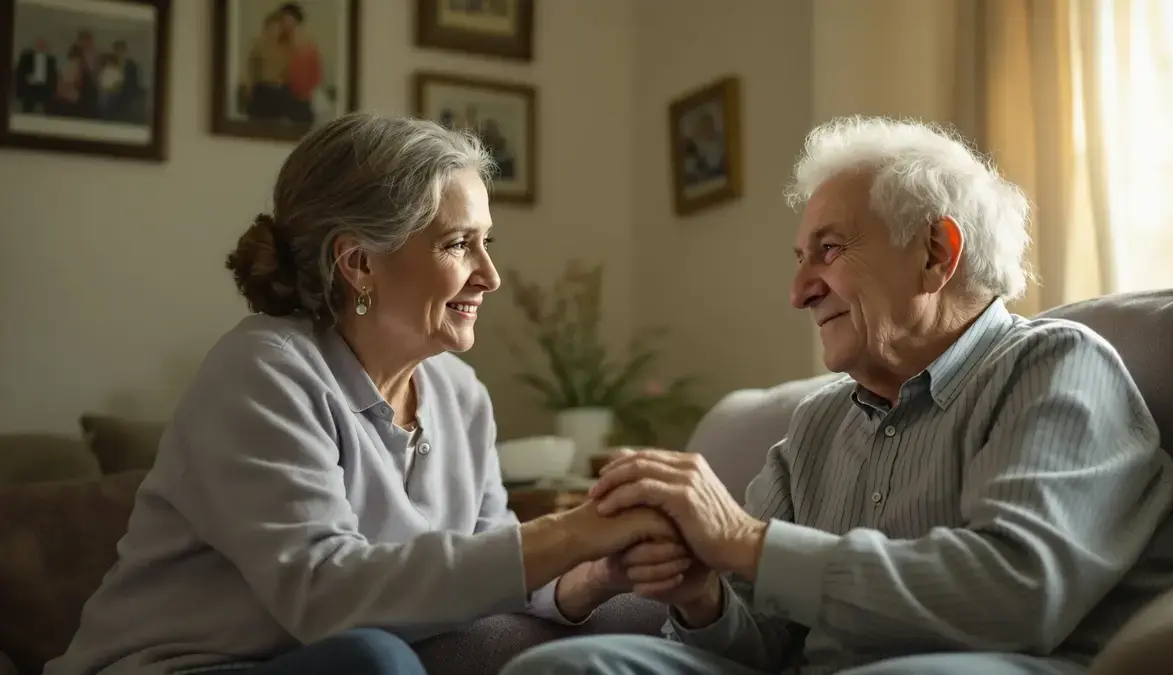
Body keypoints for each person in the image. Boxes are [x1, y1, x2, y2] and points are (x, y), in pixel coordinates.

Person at [500, 116, 1173, 675]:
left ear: (935, 253)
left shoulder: (1056, 366)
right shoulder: (817, 425)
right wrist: (702, 596)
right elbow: (759, 647)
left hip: (1012, 662)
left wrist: (744, 540)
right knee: (571, 666)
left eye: (827, 251)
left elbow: (1018, 594)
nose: (798, 291)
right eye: (799, 261)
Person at [44, 114, 693, 675]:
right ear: (357, 263)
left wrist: (592, 571)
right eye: (459, 243)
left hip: (369, 653)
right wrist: (566, 529)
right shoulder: (264, 372)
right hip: (192, 666)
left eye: (485, 243)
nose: (490, 276)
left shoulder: (459, 393)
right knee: (373, 662)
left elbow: (494, 576)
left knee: (639, 613)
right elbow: (326, 598)